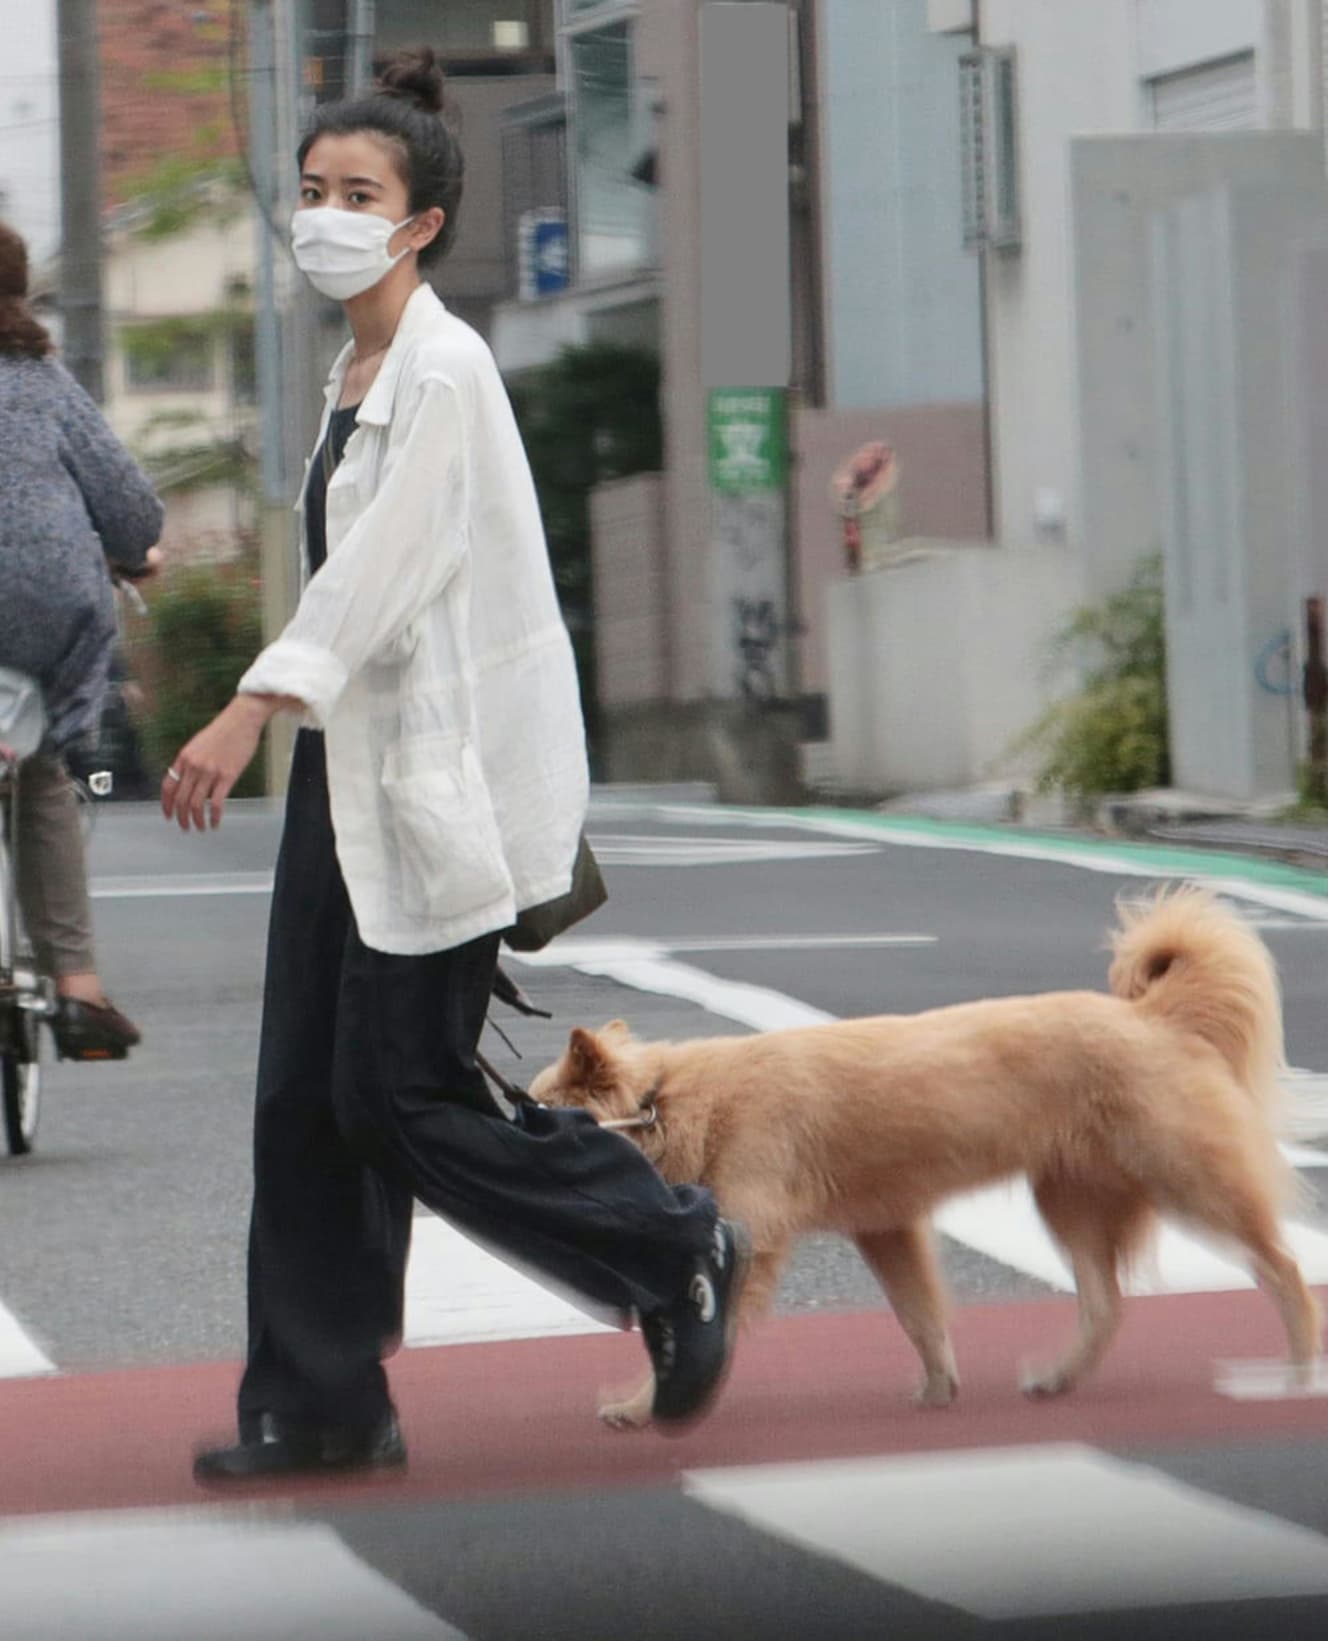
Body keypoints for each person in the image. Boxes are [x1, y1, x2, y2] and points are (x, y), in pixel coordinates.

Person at [163, 47, 749, 1482]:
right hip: (348, 781)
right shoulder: (353, 371)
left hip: (442, 784)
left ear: (422, 223)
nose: (326, 215)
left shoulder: (444, 366)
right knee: (303, 1093)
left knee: (400, 1095)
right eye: (311, 191)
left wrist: (251, 701)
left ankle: (671, 1243)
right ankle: (320, 1403)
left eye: (358, 194)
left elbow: (384, 572)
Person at [0, 221, 163, 1059]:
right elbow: (131, 509)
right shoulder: (41, 380)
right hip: (44, 611)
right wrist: (135, 556)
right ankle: (77, 986)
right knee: (42, 769)